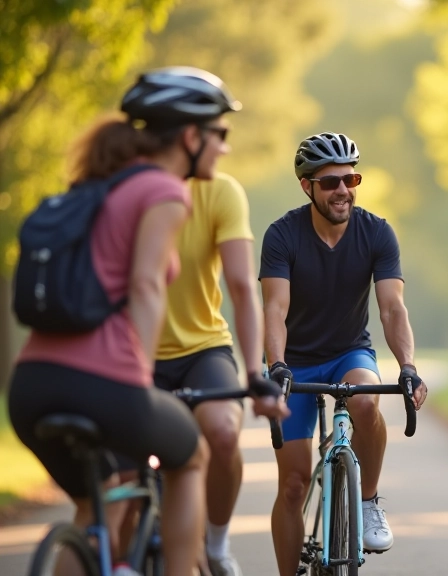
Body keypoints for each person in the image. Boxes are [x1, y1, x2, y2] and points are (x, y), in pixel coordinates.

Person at [7, 67, 282, 576]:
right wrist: (136, 381)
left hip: (30, 387)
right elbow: (147, 285)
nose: (224, 147)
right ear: (190, 136)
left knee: (101, 502)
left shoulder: (97, 186)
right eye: (219, 133)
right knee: (192, 457)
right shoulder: (164, 191)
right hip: (102, 382)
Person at [261, 131, 428, 576]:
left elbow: (392, 307)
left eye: (351, 179)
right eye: (331, 181)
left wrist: (407, 366)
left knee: (367, 401)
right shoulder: (282, 235)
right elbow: (274, 309)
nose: (343, 190)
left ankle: (368, 498)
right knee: (294, 484)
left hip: (349, 352)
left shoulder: (376, 232)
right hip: (292, 361)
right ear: (307, 186)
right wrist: (276, 365)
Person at [146, 170, 289, 576]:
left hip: (202, 348)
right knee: (125, 462)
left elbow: (243, 287)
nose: (222, 145)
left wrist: (251, 373)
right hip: (135, 351)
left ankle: (216, 542)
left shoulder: (220, 191)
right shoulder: (127, 187)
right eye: (215, 133)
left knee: (224, 432)